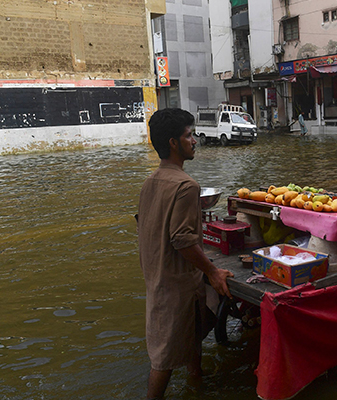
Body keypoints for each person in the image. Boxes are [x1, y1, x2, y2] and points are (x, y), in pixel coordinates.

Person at [137, 108, 234, 400]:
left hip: (158, 276)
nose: (194, 141)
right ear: (173, 143)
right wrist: (213, 271)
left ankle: (197, 381)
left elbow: (145, 225)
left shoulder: (151, 181)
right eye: (188, 136)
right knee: (164, 359)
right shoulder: (186, 186)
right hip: (176, 284)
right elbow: (182, 239)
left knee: (190, 338)